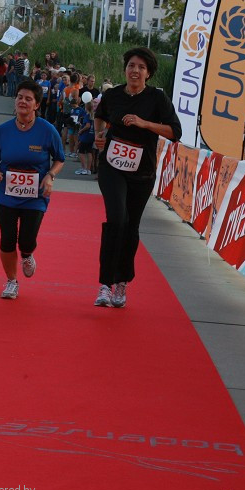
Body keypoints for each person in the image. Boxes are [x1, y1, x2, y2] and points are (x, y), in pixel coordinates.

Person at [93, 47, 182, 308]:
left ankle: (122, 282)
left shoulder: (157, 98)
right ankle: (105, 285)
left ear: (149, 73)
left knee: (131, 226)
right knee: (117, 219)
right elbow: (99, 117)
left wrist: (145, 124)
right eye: (131, 65)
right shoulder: (113, 95)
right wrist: (99, 137)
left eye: (141, 67)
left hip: (142, 172)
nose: (135, 71)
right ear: (125, 69)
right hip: (112, 166)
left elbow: (175, 132)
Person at [0, 79, 65, 299]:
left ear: (37, 105)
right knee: (7, 239)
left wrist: (50, 175)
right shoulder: (3, 130)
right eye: (20, 97)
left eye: (28, 99)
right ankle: (11, 281)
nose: (23, 101)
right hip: (6, 193)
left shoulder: (48, 131)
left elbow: (59, 159)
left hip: (35, 195)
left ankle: (27, 254)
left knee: (26, 240)